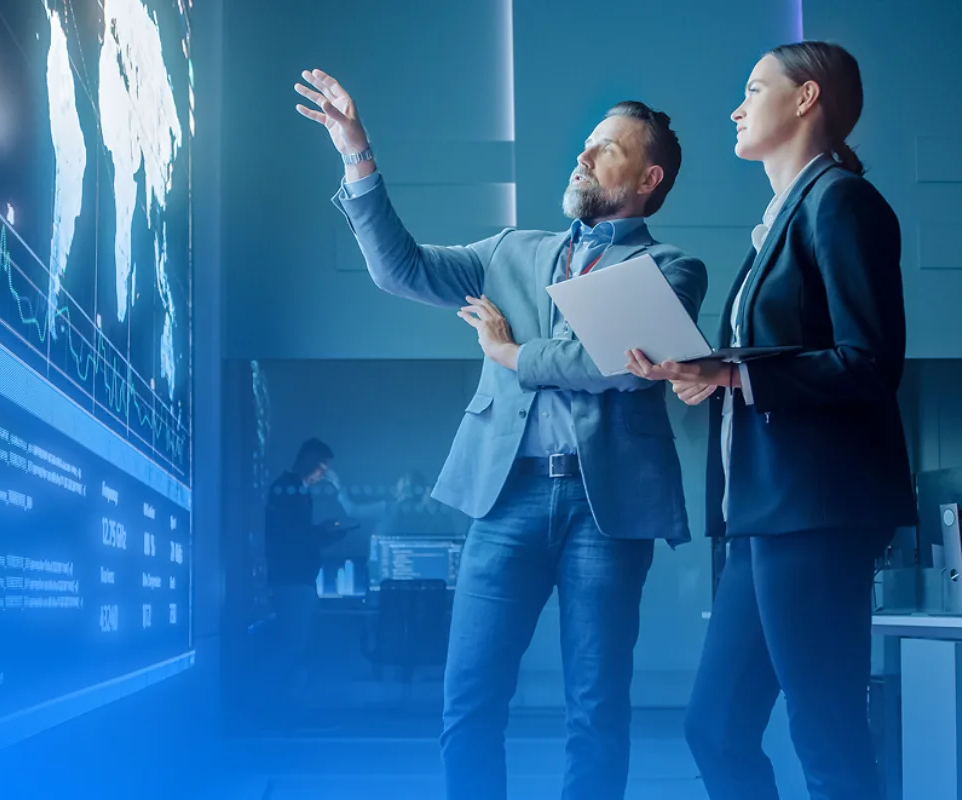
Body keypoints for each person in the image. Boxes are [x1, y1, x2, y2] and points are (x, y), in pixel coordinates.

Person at [295, 70, 705, 799]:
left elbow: (612, 366)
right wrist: (357, 155)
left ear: (649, 178)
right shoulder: (514, 250)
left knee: (595, 710)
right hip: (505, 497)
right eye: (585, 145)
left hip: (604, 513)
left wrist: (511, 354)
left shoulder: (669, 268)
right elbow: (403, 269)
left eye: (604, 149)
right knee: (470, 703)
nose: (582, 157)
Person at [626, 41, 912, 800]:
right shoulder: (783, 219)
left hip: (815, 514)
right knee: (714, 729)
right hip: (761, 515)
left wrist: (734, 372)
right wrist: (711, 380)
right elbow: (780, 366)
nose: (737, 106)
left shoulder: (842, 202)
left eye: (754, 89)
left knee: (826, 735)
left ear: (806, 98)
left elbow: (871, 362)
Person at [262, 438, 350, 724]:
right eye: (321, 467)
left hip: (296, 580)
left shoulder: (293, 490)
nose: (321, 474)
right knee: (293, 646)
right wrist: (325, 535)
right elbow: (294, 539)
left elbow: (296, 535)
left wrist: (320, 534)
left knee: (295, 645)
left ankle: (284, 709)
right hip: (293, 581)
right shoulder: (289, 490)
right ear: (308, 460)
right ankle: (279, 710)